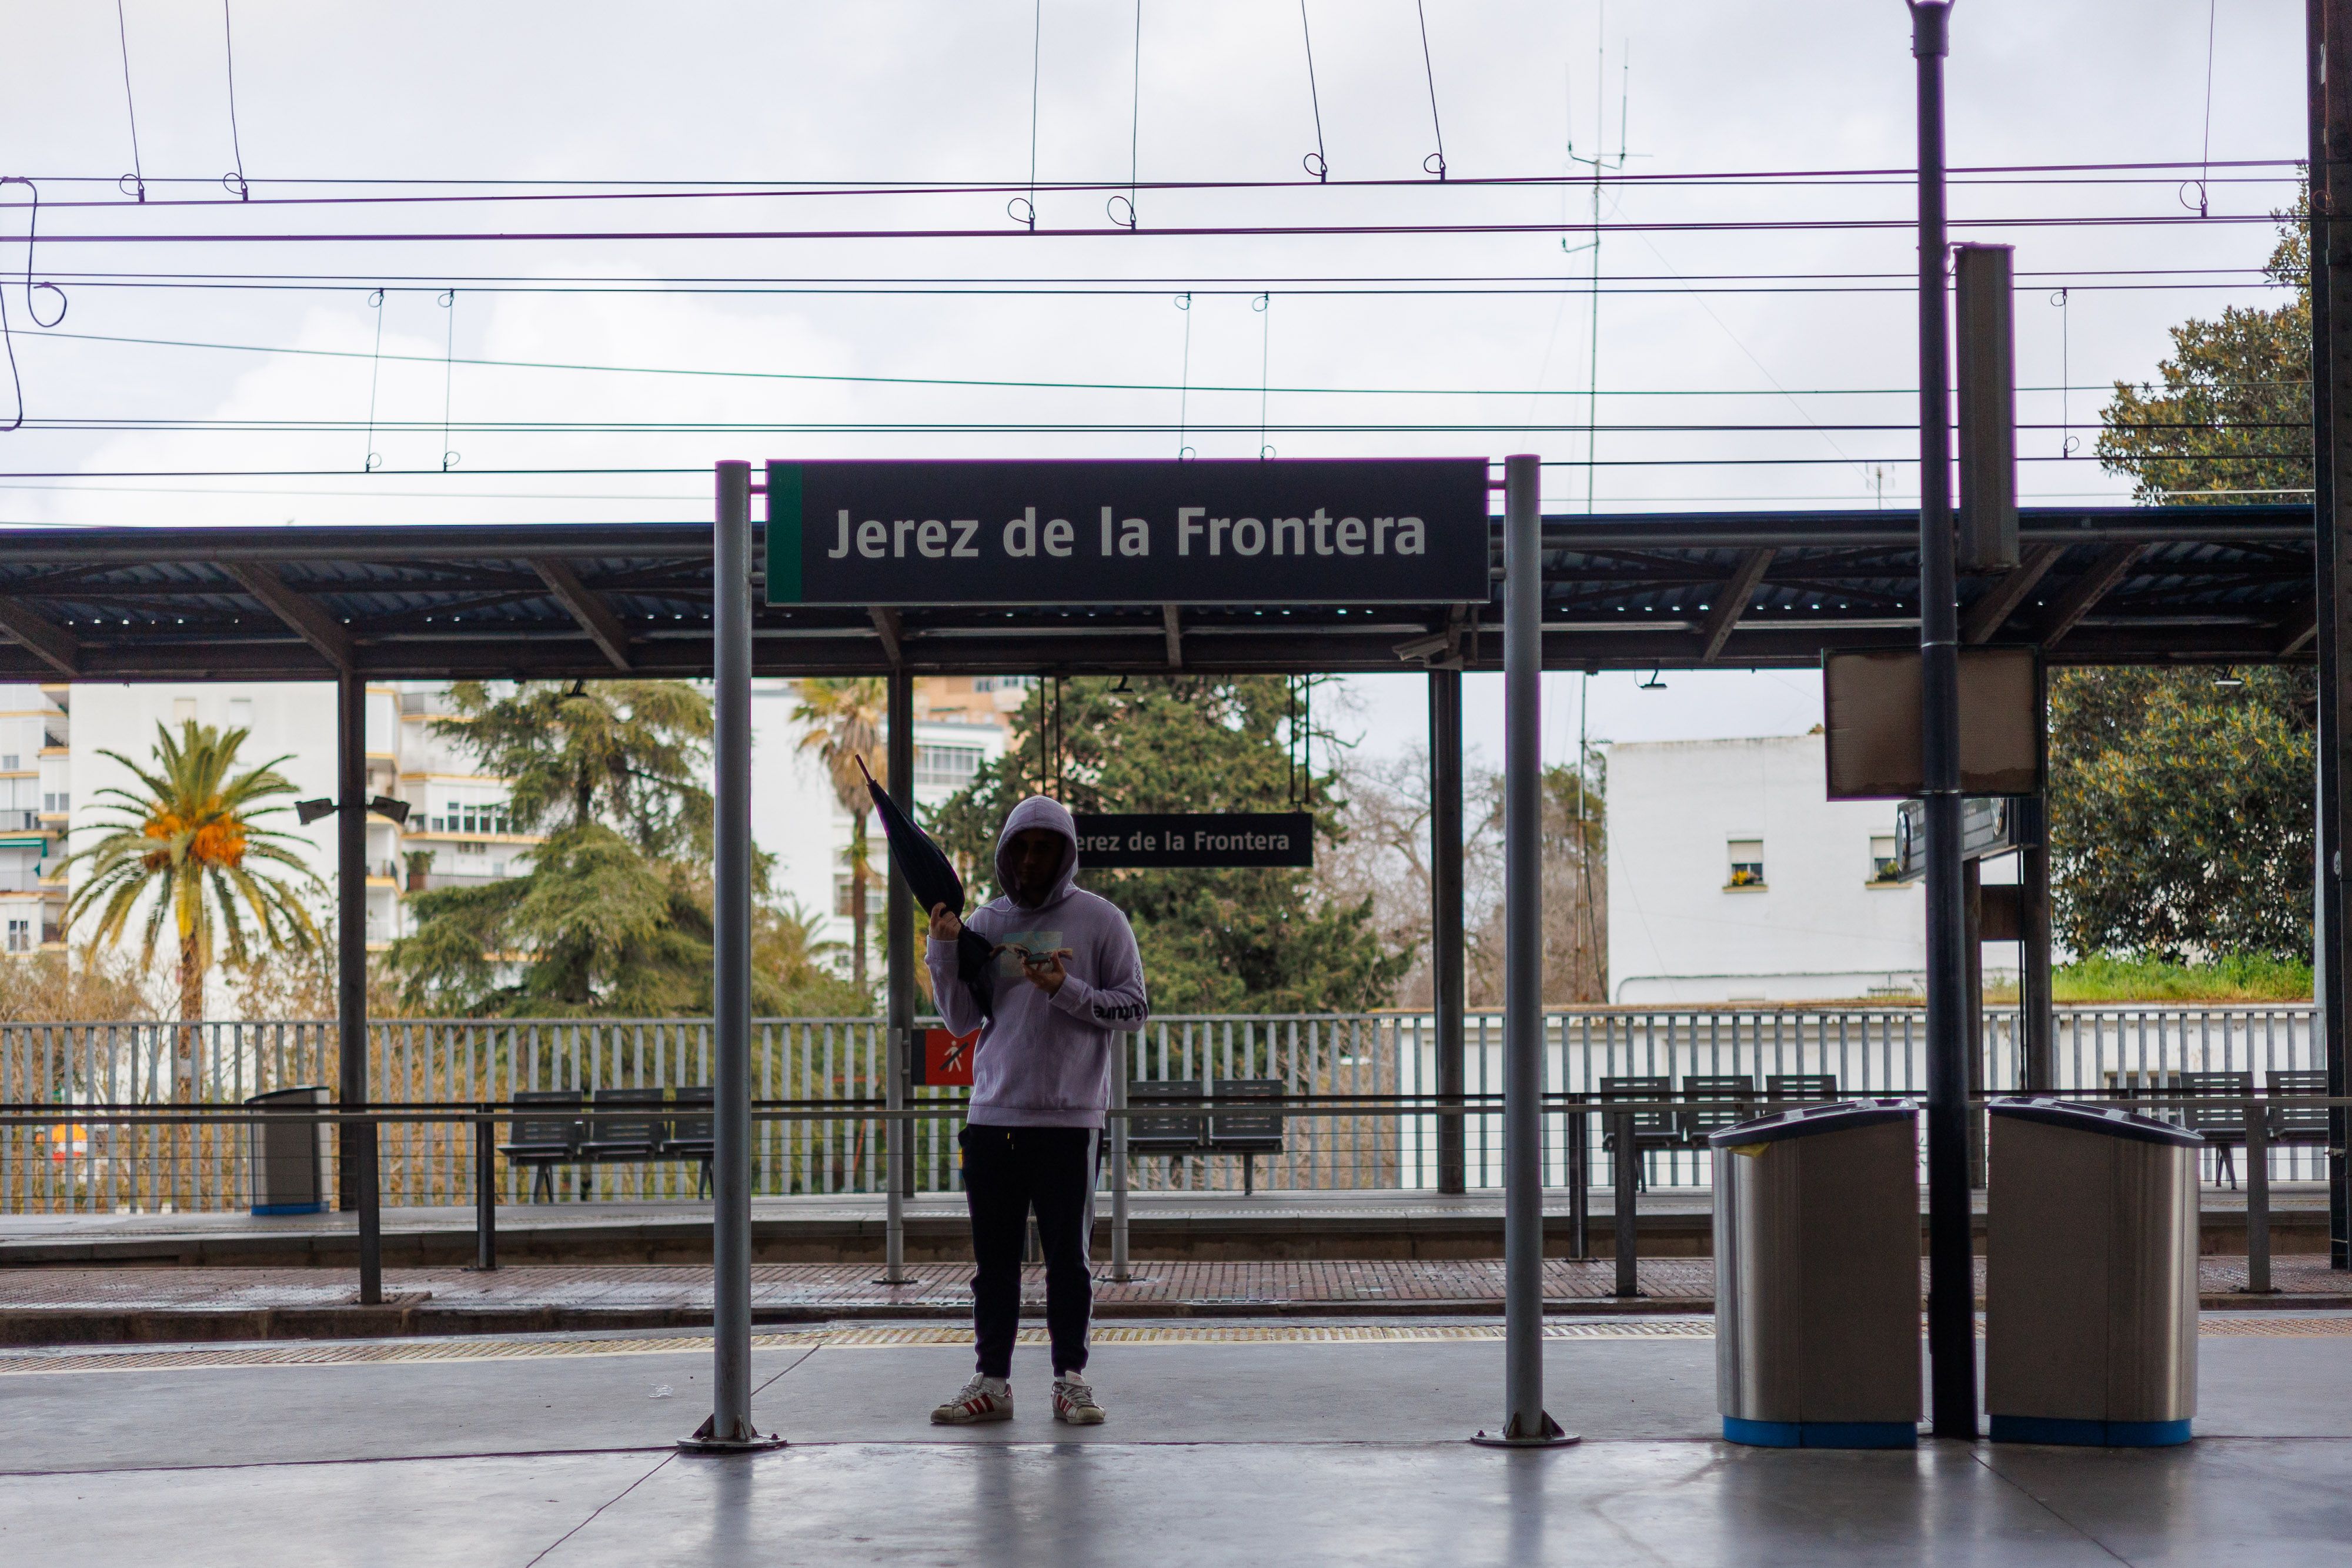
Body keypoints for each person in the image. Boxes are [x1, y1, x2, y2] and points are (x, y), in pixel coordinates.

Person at [923, 794, 1148, 1427]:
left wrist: (1065, 989)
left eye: (1043, 847)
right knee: (992, 1264)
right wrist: (941, 952)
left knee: (1067, 1263)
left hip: (1069, 1120)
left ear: (1065, 854)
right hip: (992, 1118)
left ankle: (1069, 1380)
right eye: (1019, 847)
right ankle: (991, 1382)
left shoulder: (1102, 922)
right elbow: (964, 1021)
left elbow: (1133, 1009)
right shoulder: (988, 925)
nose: (1029, 859)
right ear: (1004, 853)